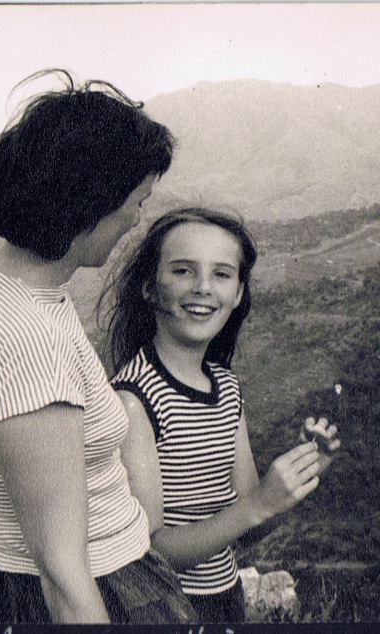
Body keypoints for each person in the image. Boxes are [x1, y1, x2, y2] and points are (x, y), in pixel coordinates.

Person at [0, 70, 193, 623]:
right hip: (96, 587)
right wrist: (13, 451)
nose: (137, 219)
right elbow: (63, 576)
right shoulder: (31, 346)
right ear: (90, 206)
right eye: (136, 201)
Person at [103, 207, 341, 622]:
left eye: (222, 274)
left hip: (224, 600)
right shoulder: (134, 399)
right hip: (164, 610)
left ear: (238, 293)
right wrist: (258, 505)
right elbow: (147, 553)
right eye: (183, 271)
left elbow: (246, 529)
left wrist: (292, 484)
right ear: (149, 288)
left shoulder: (226, 389)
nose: (203, 288)